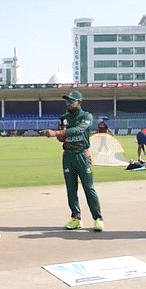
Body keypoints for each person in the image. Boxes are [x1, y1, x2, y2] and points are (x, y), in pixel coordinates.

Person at [44, 91, 104, 232]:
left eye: (72, 101)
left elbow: (79, 130)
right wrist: (59, 134)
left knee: (89, 188)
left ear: (79, 102)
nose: (68, 104)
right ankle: (76, 218)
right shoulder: (64, 117)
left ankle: (98, 218)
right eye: (67, 101)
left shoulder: (86, 116)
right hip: (68, 156)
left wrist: (57, 133)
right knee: (71, 189)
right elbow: (62, 138)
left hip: (82, 155)